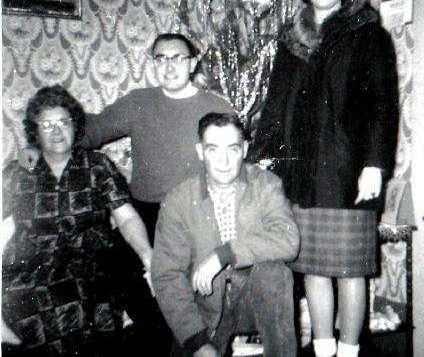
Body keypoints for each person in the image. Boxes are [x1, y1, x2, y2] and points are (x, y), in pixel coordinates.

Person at [19, 33, 234, 352]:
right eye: (161, 59)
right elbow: (90, 130)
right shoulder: (139, 102)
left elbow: (232, 165)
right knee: (117, 267)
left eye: (178, 58)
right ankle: (159, 341)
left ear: (192, 63)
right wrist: (37, 145)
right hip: (146, 212)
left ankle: (179, 343)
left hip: (195, 213)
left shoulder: (215, 107)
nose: (169, 66)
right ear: (153, 64)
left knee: (175, 282)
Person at [248, 0, 399, 357]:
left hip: (351, 173)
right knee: (313, 268)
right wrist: (262, 160)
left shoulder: (368, 34)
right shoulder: (290, 41)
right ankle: (323, 348)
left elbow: (383, 106)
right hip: (302, 174)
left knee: (350, 270)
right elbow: (275, 105)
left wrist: (375, 165)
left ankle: (348, 353)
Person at [1, 85, 153, 357]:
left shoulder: (97, 165)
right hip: (32, 265)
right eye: (47, 125)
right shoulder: (21, 167)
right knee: (27, 303)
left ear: (75, 125)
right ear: (35, 131)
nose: (56, 131)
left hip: (89, 262)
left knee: (81, 305)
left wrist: (148, 256)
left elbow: (127, 216)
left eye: (63, 122)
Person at [151, 112, 300, 357]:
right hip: (204, 304)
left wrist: (225, 254)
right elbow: (167, 275)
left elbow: (288, 240)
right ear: (200, 151)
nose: (224, 161)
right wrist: (197, 342)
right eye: (213, 149)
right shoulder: (178, 200)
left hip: (257, 300)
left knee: (274, 271)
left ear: (244, 149)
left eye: (232, 149)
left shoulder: (266, 184)